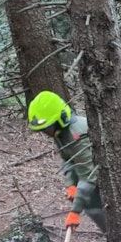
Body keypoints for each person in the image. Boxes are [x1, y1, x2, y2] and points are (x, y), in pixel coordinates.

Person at [27, 91, 106, 233]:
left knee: (93, 201)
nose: (46, 132)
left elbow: (88, 178)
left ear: (60, 119)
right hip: (91, 170)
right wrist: (71, 184)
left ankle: (114, 237)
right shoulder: (59, 133)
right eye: (43, 130)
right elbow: (66, 159)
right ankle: (111, 237)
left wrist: (75, 212)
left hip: (107, 171)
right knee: (87, 200)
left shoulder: (77, 136)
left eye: (47, 128)